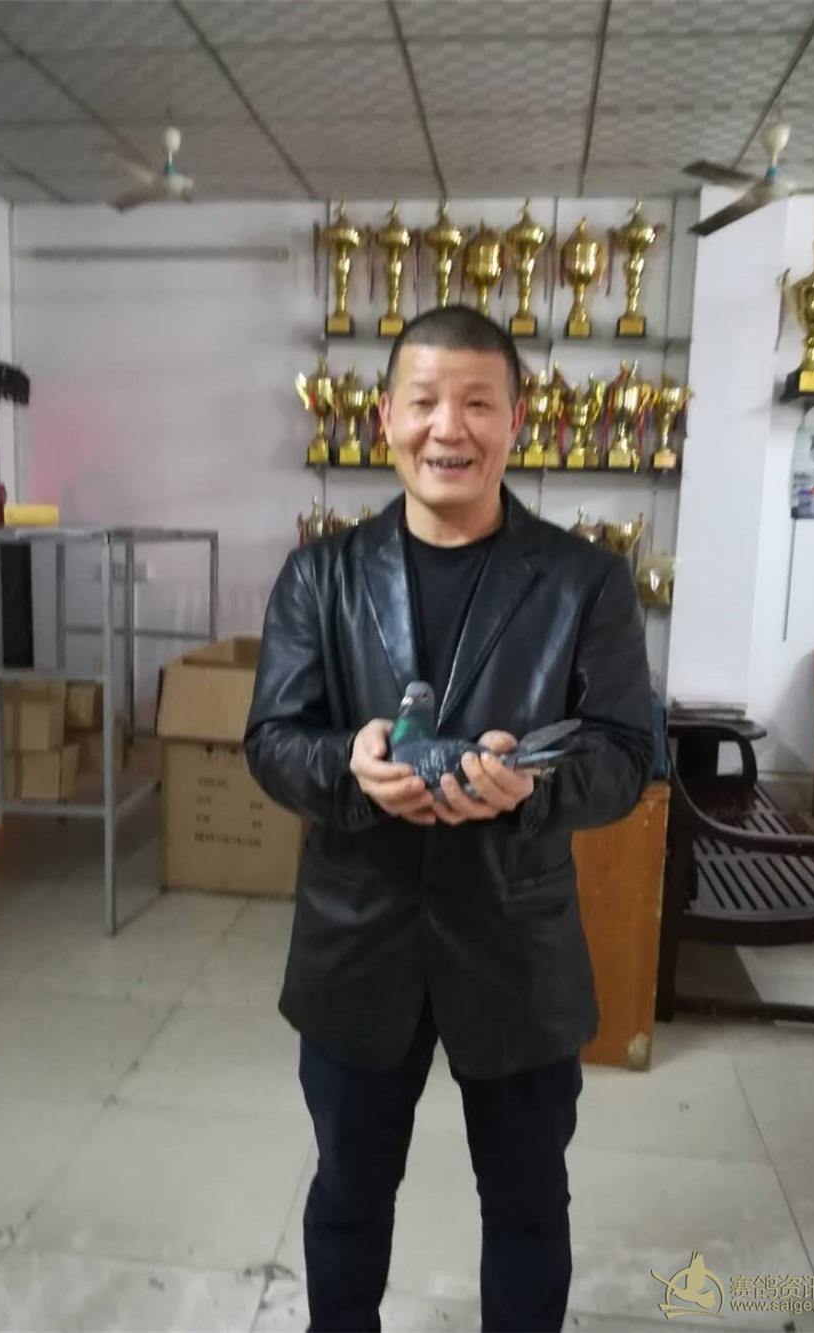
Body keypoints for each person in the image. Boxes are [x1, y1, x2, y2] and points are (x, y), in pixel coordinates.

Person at [244, 306, 653, 1333]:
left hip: (516, 944)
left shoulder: (584, 582)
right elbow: (271, 739)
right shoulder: (321, 576)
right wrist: (348, 767)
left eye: (477, 403)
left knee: (526, 1206)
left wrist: (535, 789)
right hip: (357, 940)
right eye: (424, 401)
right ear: (384, 417)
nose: (448, 428)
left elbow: (625, 755)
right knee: (347, 1195)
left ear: (517, 420)